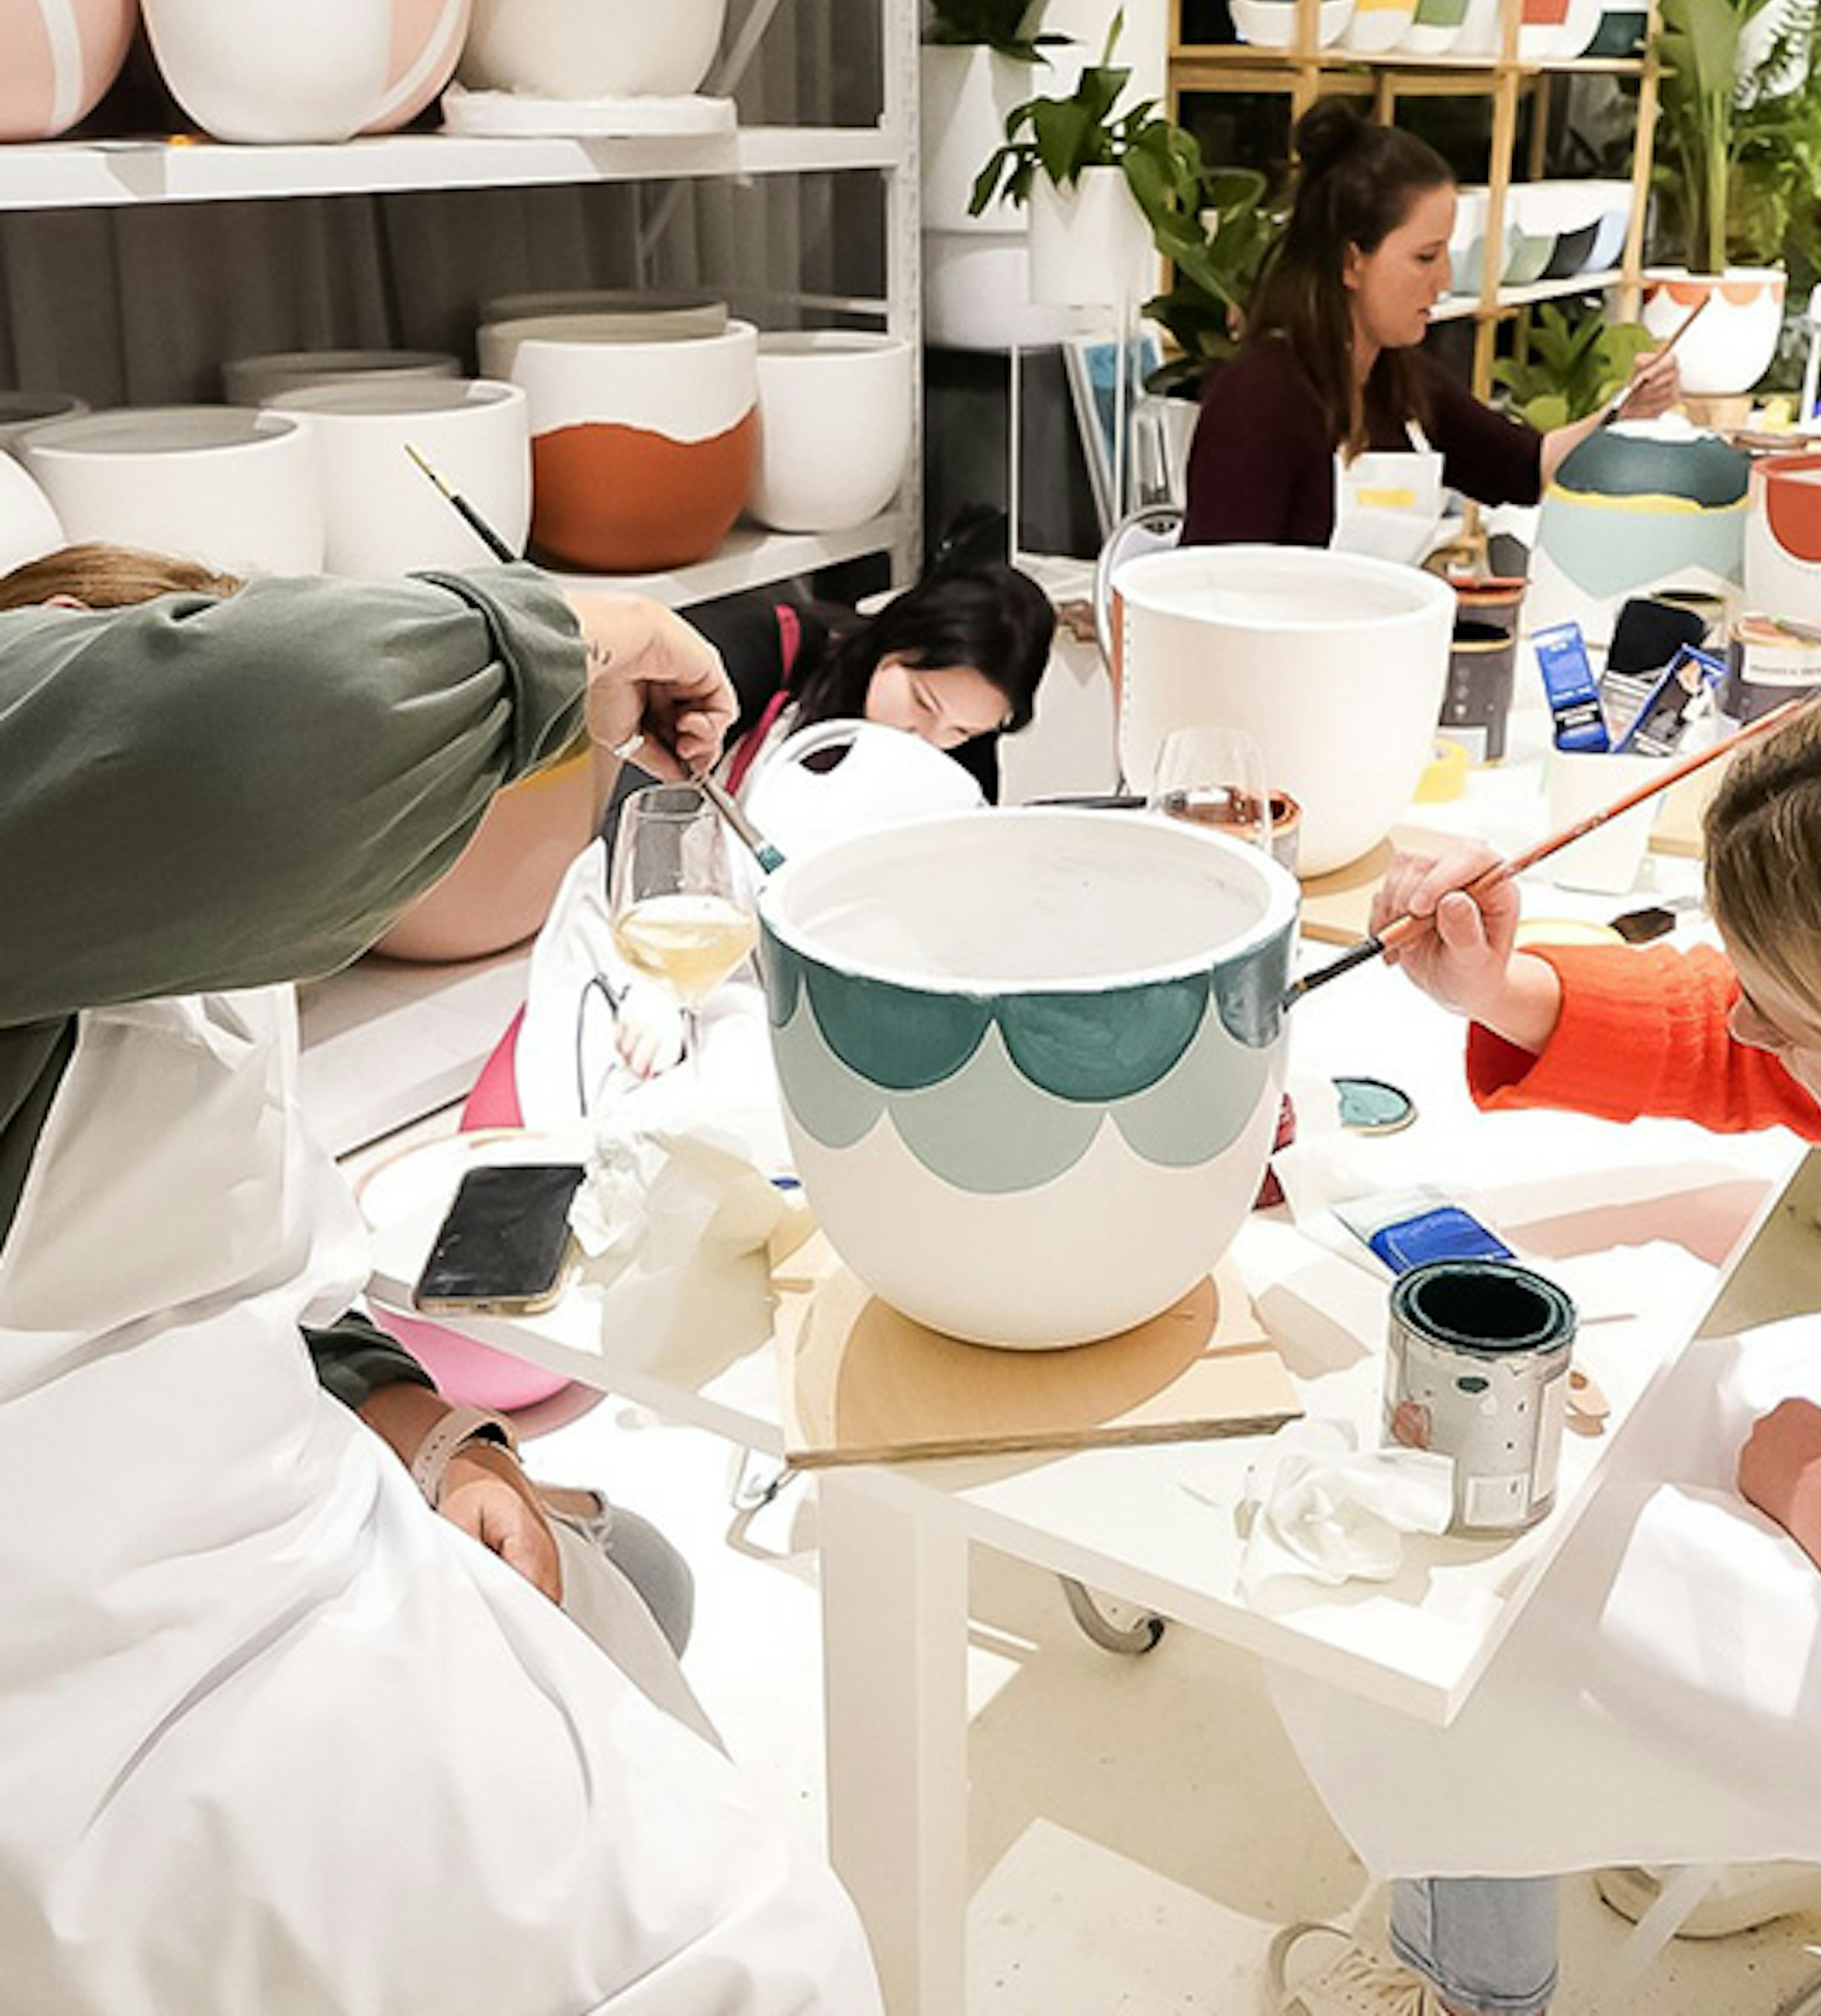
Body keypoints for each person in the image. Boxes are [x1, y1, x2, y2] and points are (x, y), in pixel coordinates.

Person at [0, 544, 882, 2011]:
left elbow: (261, 1299)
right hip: (100, 1705)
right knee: (747, 1949)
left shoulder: (203, 968)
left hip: (296, 1538)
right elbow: (272, 722)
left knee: (624, 1636)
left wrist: (436, 1436)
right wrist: (583, 638)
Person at [1266, 634, 1821, 2016]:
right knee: (1537, 1464)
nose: (1747, 1025)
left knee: (1451, 1587)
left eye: (1791, 1017)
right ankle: (1713, 1808)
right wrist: (1504, 992)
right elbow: (1763, 1042)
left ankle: (1456, 1986)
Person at [1182, 104, 1681, 549]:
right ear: (1352, 262)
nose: (1443, 281)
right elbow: (1206, 596)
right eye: (1425, 257)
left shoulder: (1401, 381)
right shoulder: (1259, 399)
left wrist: (1624, 410)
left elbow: (1527, 468)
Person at [683, 511, 1055, 802]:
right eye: (923, 703)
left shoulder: (964, 755)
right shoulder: (774, 646)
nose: (928, 739)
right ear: (899, 639)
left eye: (963, 730)